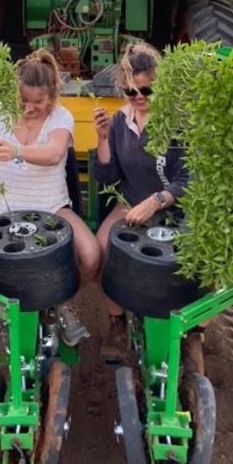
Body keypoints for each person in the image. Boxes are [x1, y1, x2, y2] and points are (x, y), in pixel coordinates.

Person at [0, 48, 101, 353]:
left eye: (38, 102)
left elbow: (54, 153)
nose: (29, 108)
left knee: (92, 255)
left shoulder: (61, 117)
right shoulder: (1, 112)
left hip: (53, 209)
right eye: (23, 101)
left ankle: (63, 302)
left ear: (52, 96)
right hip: (6, 211)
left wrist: (16, 151)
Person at [92, 43, 196, 365]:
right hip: (130, 202)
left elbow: (191, 179)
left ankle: (193, 332)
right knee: (100, 250)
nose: (139, 98)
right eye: (130, 91)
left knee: (196, 262)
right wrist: (103, 139)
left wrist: (157, 201)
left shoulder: (179, 122)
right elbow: (107, 177)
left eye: (146, 90)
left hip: (172, 206)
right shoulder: (122, 122)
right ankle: (117, 323)